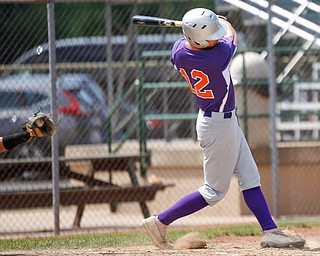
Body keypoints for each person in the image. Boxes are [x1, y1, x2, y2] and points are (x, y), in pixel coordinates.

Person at [141, 8, 306, 249]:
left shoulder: (179, 52)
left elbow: (187, 41)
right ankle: (160, 222)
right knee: (214, 191)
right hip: (218, 126)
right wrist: (223, 23)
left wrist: (203, 26)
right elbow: (233, 36)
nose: (217, 38)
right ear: (198, 39)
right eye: (211, 36)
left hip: (221, 121)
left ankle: (270, 231)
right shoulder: (217, 56)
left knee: (250, 177)